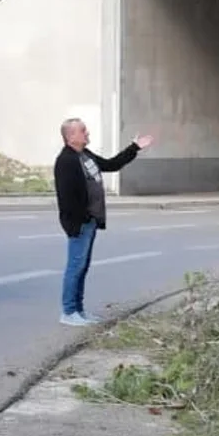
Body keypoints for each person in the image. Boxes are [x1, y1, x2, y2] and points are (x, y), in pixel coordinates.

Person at [54, 118, 153, 326]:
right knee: (75, 266)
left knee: (83, 267)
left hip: (90, 221)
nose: (87, 133)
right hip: (80, 224)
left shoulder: (85, 155)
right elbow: (66, 198)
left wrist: (134, 147)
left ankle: (79, 310)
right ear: (70, 136)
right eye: (82, 131)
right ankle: (69, 311)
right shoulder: (66, 160)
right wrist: (78, 221)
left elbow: (111, 165)